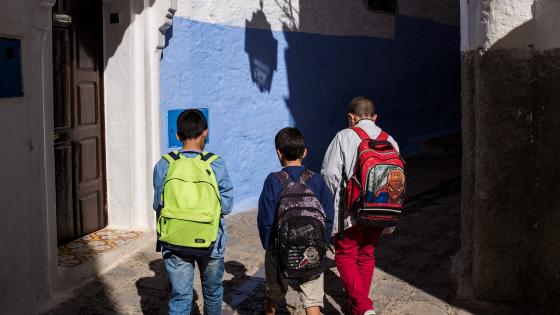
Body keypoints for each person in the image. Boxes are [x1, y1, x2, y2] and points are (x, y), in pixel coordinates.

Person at [321, 97, 399, 315]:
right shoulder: (390, 139)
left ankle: (363, 307)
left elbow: (330, 175)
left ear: (351, 118)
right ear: (375, 118)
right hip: (383, 208)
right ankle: (358, 307)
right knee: (367, 252)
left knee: (345, 254)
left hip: (351, 208)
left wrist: (330, 204)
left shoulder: (343, 137)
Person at [153, 109, 233, 315]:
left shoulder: (165, 163)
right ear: (205, 132)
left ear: (178, 136)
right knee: (213, 292)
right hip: (211, 241)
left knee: (180, 297)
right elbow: (226, 206)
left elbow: (158, 204)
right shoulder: (215, 163)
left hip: (175, 240)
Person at [258, 127, 335, 315]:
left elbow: (266, 218)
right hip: (312, 248)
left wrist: (269, 245)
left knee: (273, 291)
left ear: (278, 153)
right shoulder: (316, 180)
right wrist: (323, 243)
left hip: (279, 247)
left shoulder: (273, 181)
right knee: (312, 298)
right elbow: (329, 214)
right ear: (305, 152)